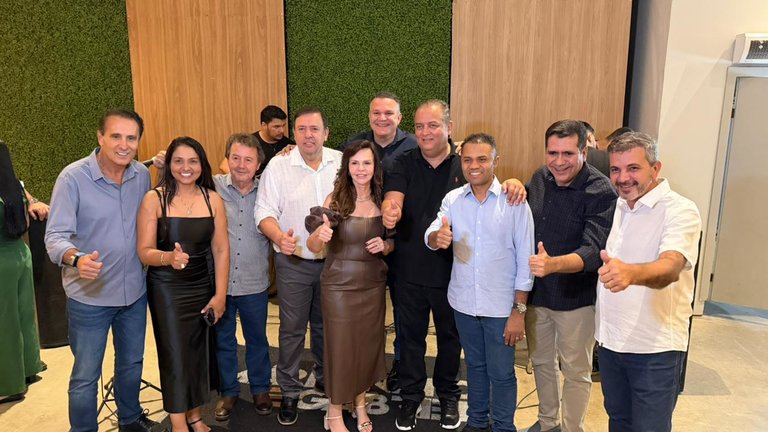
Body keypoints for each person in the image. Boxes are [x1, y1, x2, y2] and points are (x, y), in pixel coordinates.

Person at [382, 100, 526, 431]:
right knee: (410, 338)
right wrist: (391, 210)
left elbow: (491, 182)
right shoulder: (402, 161)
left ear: (449, 128)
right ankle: (411, 396)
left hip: (455, 276)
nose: (425, 132)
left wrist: (514, 182)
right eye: (419, 126)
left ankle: (448, 395)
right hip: (409, 270)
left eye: (433, 125)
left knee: (451, 341)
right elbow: (394, 198)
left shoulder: (464, 162)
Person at [45, 109, 161, 432]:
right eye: (116, 136)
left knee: (132, 363)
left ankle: (130, 418)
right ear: (100, 137)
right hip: (89, 299)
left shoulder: (141, 175)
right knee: (86, 375)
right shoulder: (72, 178)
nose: (124, 145)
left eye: (131, 138)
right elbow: (54, 237)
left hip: (133, 293)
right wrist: (76, 259)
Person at [425, 133, 535, 432]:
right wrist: (437, 237)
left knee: (501, 373)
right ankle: (476, 422)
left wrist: (519, 311)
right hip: (464, 303)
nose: (474, 166)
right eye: (468, 160)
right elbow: (432, 232)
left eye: (482, 159)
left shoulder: (514, 202)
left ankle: (503, 427)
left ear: (496, 161)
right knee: (474, 367)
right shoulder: (454, 200)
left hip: (501, 307)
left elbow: (526, 259)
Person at [595, 132, 701, 432]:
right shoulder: (620, 205)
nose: (622, 178)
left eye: (633, 168)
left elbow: (671, 267)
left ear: (655, 168)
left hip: (655, 350)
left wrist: (631, 273)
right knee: (619, 422)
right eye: (615, 169)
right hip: (612, 343)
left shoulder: (680, 210)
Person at [523, 120, 616, 432]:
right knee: (541, 362)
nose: (559, 161)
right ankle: (547, 422)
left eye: (568, 154)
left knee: (576, 370)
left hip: (576, 299)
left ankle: (572, 428)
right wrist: (512, 184)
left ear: (584, 152)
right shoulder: (539, 178)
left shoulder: (601, 190)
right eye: (553, 153)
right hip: (538, 295)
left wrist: (553, 265)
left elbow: (593, 250)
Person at [255, 106, 343, 425]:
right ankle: (290, 391)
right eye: (302, 129)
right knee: (292, 330)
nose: (308, 135)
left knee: (325, 326)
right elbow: (263, 212)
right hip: (293, 263)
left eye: (314, 129)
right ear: (294, 134)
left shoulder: (341, 162)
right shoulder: (278, 166)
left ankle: (324, 377)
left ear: (326, 133)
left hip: (333, 265)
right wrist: (279, 236)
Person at [136, 137, 229, 432]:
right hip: (166, 288)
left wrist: (220, 295)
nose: (185, 167)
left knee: (198, 353)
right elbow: (144, 251)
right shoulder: (154, 199)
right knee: (175, 354)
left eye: (192, 161)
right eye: (178, 161)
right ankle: (178, 424)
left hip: (202, 284)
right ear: (169, 164)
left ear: (202, 165)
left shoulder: (212, 199)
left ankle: (195, 417)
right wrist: (168, 258)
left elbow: (221, 250)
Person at [306, 139, 393, 432]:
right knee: (342, 349)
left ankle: (359, 404)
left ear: (375, 166)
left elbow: (395, 241)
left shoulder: (383, 199)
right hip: (339, 287)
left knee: (365, 347)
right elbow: (312, 244)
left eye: (366, 163)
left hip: (373, 285)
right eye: (354, 163)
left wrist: (385, 245)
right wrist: (320, 235)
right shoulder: (335, 199)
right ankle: (333, 411)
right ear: (347, 167)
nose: (360, 169)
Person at [339, 91, 418, 391]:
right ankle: (362, 367)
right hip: (363, 244)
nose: (382, 118)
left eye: (389, 113)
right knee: (364, 315)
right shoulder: (354, 143)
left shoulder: (414, 145)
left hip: (403, 242)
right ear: (369, 116)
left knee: (403, 312)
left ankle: (399, 365)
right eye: (376, 113)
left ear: (400, 117)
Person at [211, 133, 273, 421]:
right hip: (219, 285)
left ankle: (260, 389)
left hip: (254, 282)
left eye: (248, 159)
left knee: (257, 339)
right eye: (235, 157)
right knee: (223, 341)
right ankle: (229, 392)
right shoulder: (212, 187)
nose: (241, 165)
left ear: (258, 164)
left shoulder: (268, 191)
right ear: (227, 159)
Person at [0, 142, 44, 405]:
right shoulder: (13, 185)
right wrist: (36, 203)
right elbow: (31, 200)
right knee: (23, 315)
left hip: (1, 261)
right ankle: (29, 367)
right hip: (20, 254)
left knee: (4, 323)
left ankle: (8, 384)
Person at [219, 105, 295, 176]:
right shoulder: (249, 142)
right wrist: (247, 180)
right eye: (276, 127)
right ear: (264, 125)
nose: (282, 130)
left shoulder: (288, 145)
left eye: (283, 125)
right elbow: (224, 166)